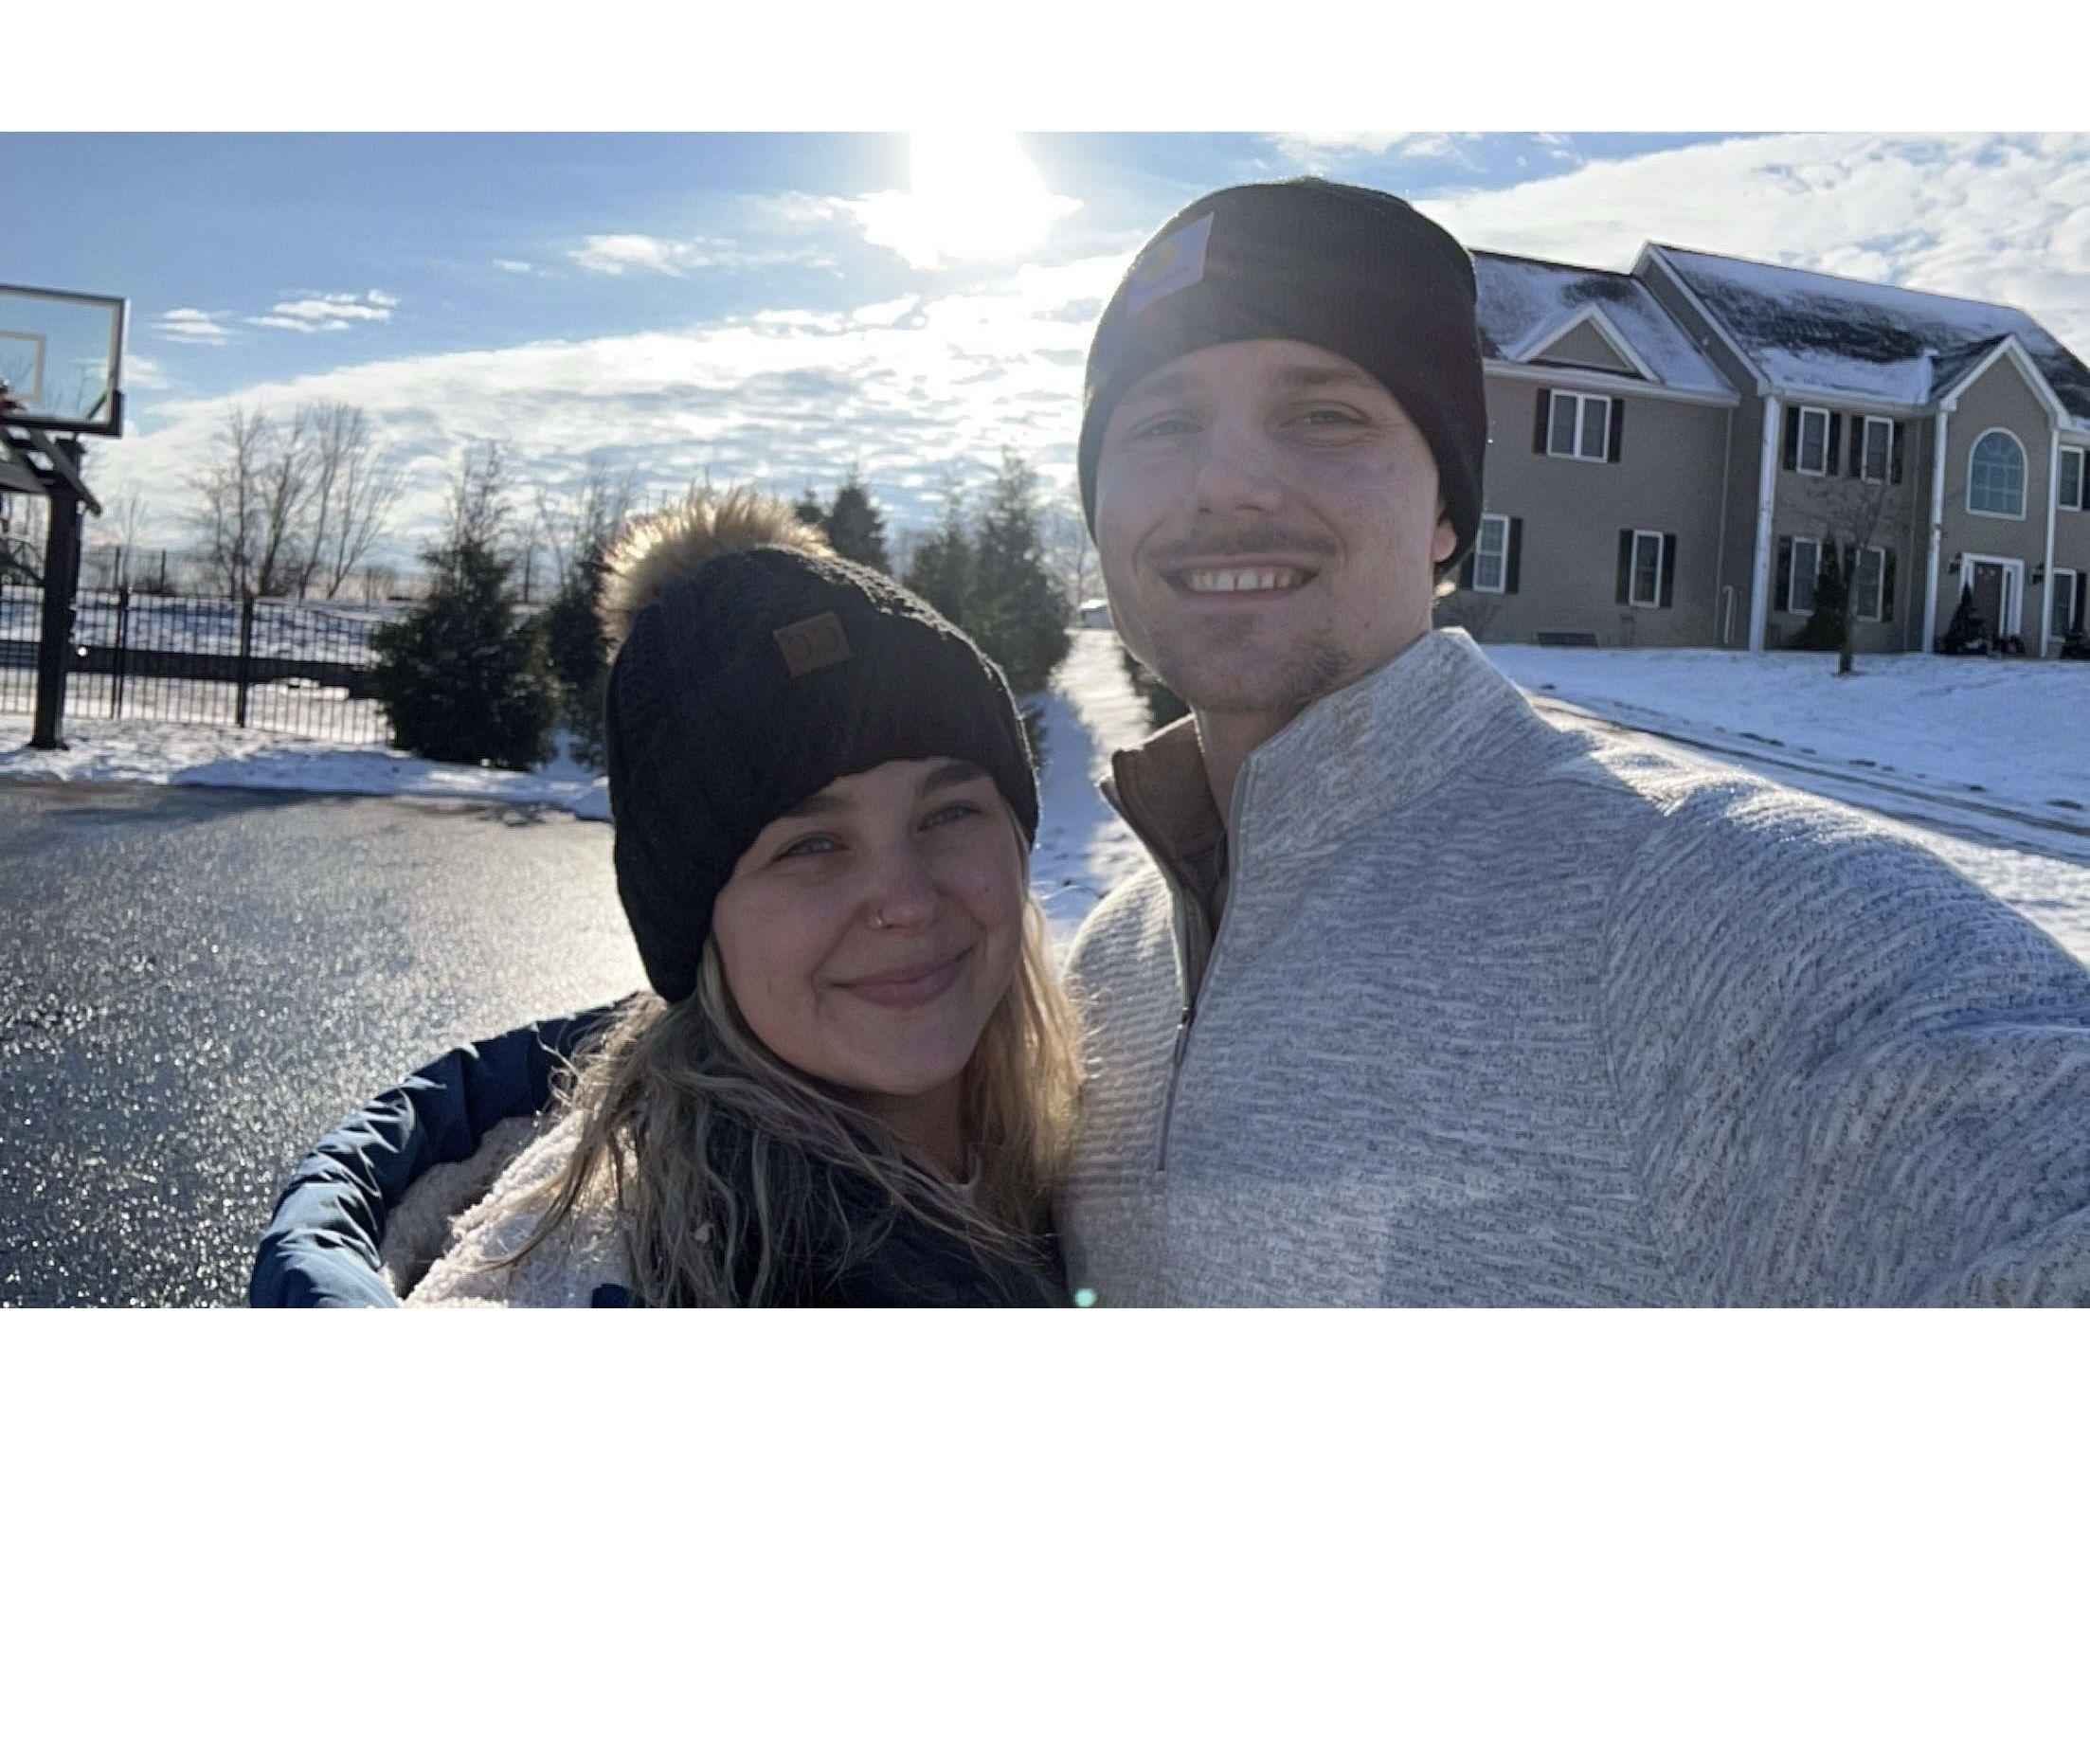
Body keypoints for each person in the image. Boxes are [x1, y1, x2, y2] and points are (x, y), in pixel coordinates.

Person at [266, 177, 2090, 1308]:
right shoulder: (1109, 985)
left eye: (1325, 412)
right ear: (1101, 513)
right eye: (1161, 424)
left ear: (1448, 514)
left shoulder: (1709, 915)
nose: (1228, 480)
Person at [251, 487, 1080, 1306]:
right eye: (811, 846)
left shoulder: (1101, 1142)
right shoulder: (603, 1276)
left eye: (950, 812)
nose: (907, 900)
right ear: (695, 922)